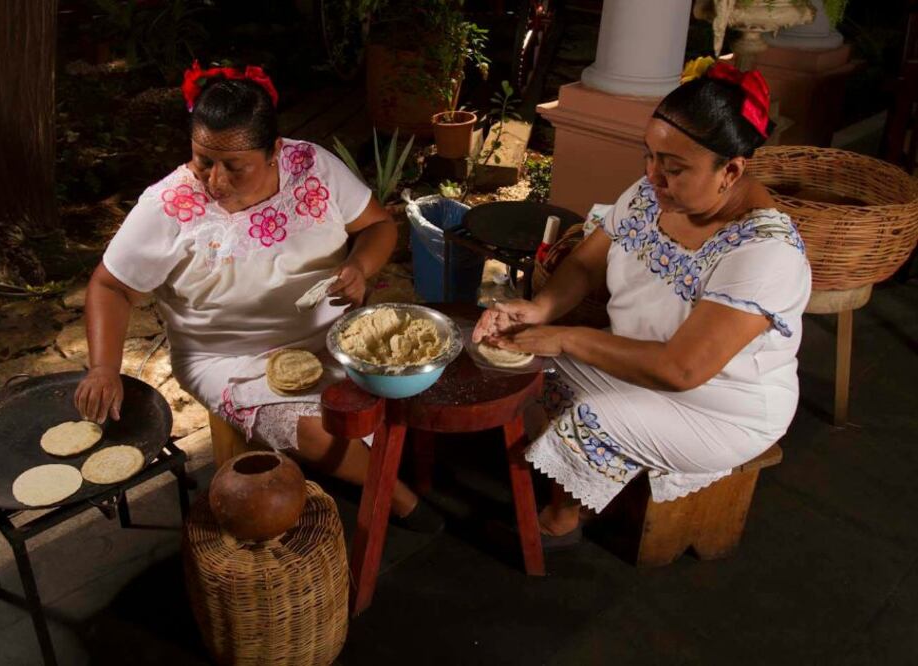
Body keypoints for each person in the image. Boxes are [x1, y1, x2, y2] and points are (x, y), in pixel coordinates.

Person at [75, 61, 441, 531]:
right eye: (202, 160)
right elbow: (110, 285)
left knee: (413, 367)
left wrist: (359, 266)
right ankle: (398, 498)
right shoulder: (168, 205)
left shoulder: (313, 168)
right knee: (311, 430)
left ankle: (382, 461)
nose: (215, 181)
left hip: (333, 334)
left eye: (234, 166)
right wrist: (104, 368)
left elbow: (376, 225)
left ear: (275, 153)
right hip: (228, 356)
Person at [474, 61, 811, 545]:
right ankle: (557, 474)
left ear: (731, 170)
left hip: (720, 408)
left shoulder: (763, 252)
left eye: (673, 168)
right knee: (528, 363)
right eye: (649, 156)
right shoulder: (655, 196)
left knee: (593, 418)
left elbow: (681, 370)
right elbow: (588, 263)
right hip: (636, 359)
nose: (653, 176)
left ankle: (559, 522)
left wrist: (568, 336)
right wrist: (542, 309)